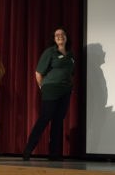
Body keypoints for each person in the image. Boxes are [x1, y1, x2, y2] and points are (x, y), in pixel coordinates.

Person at [23, 28, 75, 161]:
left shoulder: (71, 55)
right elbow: (38, 73)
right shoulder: (50, 52)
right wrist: (43, 88)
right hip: (51, 90)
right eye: (57, 35)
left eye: (62, 34)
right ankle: (28, 150)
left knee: (58, 122)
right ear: (54, 39)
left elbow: (70, 73)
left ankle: (54, 154)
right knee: (44, 119)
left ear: (66, 37)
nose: (60, 36)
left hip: (65, 92)